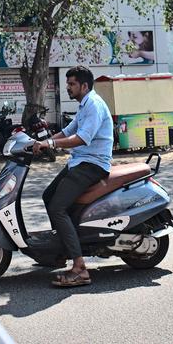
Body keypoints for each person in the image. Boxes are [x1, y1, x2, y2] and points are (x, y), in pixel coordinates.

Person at [32, 66, 112, 288]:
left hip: (93, 164)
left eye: (71, 84)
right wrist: (38, 143)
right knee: (48, 196)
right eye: (68, 84)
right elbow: (68, 131)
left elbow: (82, 138)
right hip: (80, 162)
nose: (68, 87)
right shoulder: (84, 105)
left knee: (58, 207)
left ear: (84, 86)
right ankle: (61, 250)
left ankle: (79, 268)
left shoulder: (94, 105)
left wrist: (51, 143)